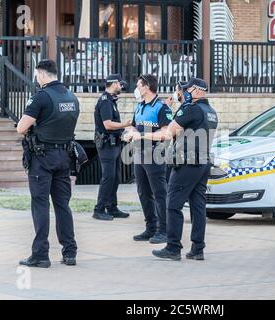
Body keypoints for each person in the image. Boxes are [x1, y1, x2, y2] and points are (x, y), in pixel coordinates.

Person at [132, 78, 218, 261]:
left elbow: (167, 133)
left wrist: (138, 134)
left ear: (195, 91)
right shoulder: (210, 111)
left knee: (172, 205)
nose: (180, 92)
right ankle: (197, 248)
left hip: (187, 163)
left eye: (183, 89)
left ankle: (173, 247)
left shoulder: (191, 109)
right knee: (198, 206)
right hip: (203, 163)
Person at [16, 59, 80, 268]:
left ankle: (40, 255)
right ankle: (69, 252)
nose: (36, 78)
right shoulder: (71, 96)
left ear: (42, 75)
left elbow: (21, 127)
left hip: (42, 159)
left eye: (36, 75)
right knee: (63, 205)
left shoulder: (41, 97)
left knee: (40, 204)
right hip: (65, 157)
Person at [125, 74, 173, 244]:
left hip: (155, 155)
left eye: (138, 85)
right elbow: (133, 125)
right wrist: (129, 133)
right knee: (143, 192)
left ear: (146, 87)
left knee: (159, 193)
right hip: (139, 154)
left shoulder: (162, 107)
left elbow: (166, 133)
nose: (136, 89)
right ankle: (151, 227)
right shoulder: (139, 106)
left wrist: (142, 135)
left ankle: (164, 230)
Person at [93, 74, 132, 221]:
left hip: (114, 143)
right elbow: (108, 124)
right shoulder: (105, 102)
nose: (121, 87)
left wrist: (123, 132)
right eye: (120, 84)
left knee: (115, 177)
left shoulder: (111, 101)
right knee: (108, 177)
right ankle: (99, 209)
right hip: (106, 144)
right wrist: (126, 124)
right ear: (113, 84)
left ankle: (112, 207)